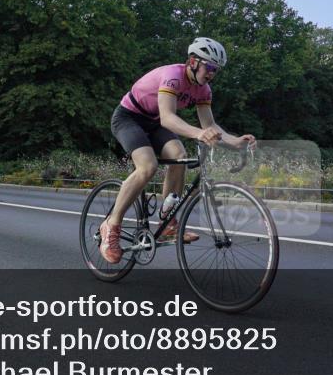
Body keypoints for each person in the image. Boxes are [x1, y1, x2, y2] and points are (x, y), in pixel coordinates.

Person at [101, 37, 257, 264]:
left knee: (179, 156)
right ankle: (111, 226)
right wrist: (198, 133)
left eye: (216, 70)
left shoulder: (204, 90)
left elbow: (210, 125)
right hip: (129, 118)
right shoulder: (173, 76)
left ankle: (167, 223)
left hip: (153, 122)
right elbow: (168, 118)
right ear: (193, 62)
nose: (212, 74)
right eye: (209, 67)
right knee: (148, 166)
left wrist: (235, 141)